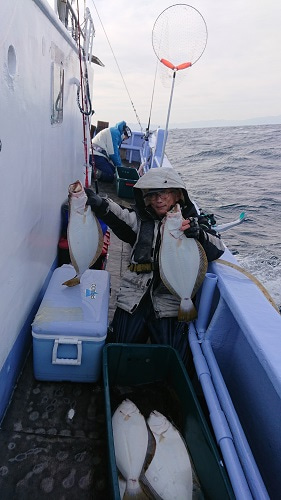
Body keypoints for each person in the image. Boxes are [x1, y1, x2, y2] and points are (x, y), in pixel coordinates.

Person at [85, 167, 225, 365]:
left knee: (173, 357)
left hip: (170, 299)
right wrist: (100, 204)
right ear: (146, 199)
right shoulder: (141, 221)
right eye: (152, 195)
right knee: (119, 349)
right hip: (135, 296)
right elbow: (120, 215)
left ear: (178, 195)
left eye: (164, 193)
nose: (159, 199)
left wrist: (199, 234)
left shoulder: (192, 223)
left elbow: (218, 248)